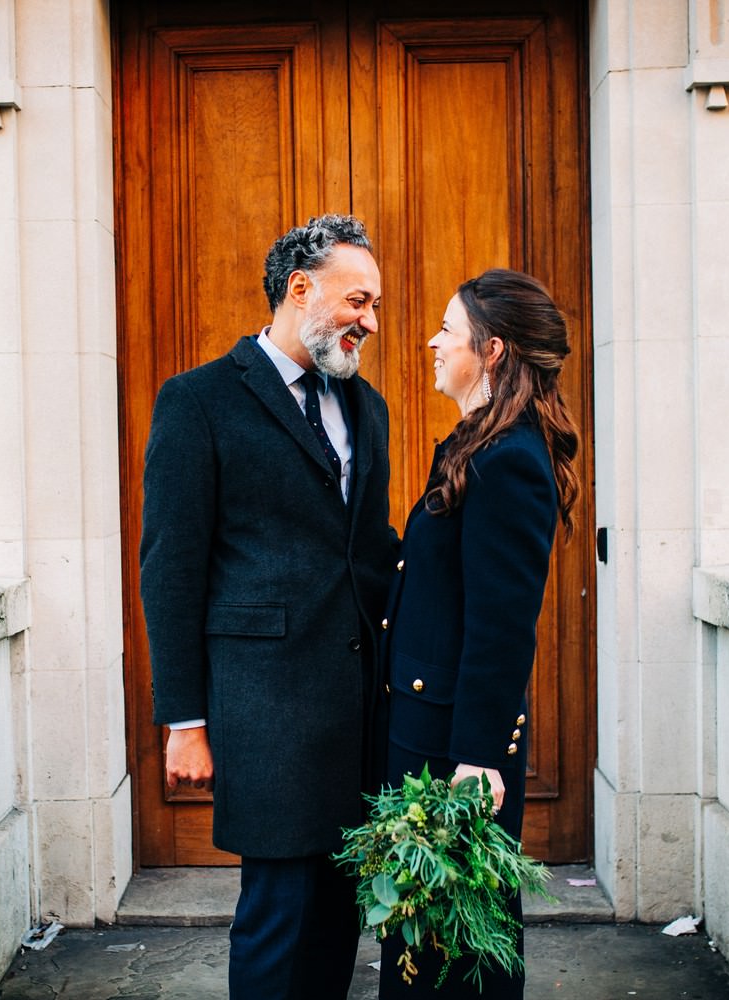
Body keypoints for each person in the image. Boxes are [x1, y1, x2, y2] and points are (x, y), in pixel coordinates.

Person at [139, 214, 396, 1000]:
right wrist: (184, 719)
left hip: (360, 713)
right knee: (277, 918)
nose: (372, 323)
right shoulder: (198, 402)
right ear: (300, 289)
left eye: (375, 305)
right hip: (266, 714)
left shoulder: (369, 408)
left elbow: (369, 548)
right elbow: (170, 570)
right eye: (358, 301)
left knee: (338, 919)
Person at [377, 269, 581, 998]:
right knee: (427, 944)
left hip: (453, 753)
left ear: (491, 351)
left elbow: (502, 628)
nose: (433, 341)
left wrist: (476, 759)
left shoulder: (510, 463)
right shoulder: (476, 447)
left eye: (447, 330)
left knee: (457, 956)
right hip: (424, 734)